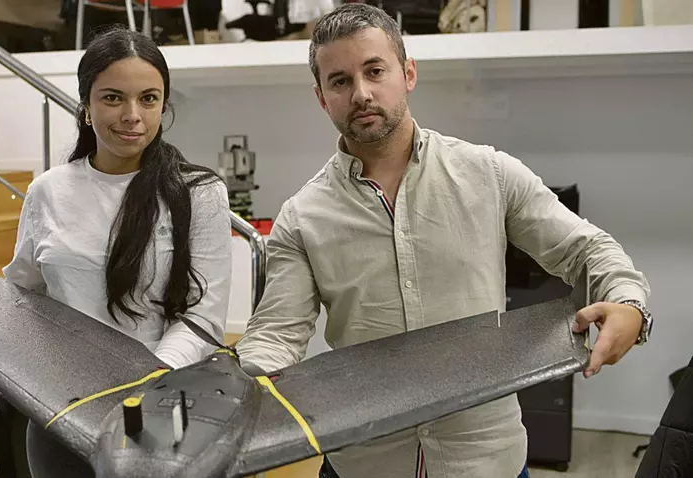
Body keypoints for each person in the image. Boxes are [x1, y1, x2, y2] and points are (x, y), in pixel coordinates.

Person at [234, 4, 652, 478]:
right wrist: (231, 390)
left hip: (485, 461)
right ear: (321, 98)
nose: (361, 93)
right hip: (365, 463)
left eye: (375, 71)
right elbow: (277, 332)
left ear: (408, 73)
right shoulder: (302, 217)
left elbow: (587, 250)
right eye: (340, 81)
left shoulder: (489, 173)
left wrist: (629, 304)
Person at [0, 26, 233, 477]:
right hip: (59, 410)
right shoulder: (48, 190)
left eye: (148, 99)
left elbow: (203, 317)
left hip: (156, 408)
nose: (133, 115)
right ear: (85, 105)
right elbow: (21, 300)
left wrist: (147, 382)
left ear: (164, 105)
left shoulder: (198, 192)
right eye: (113, 98)